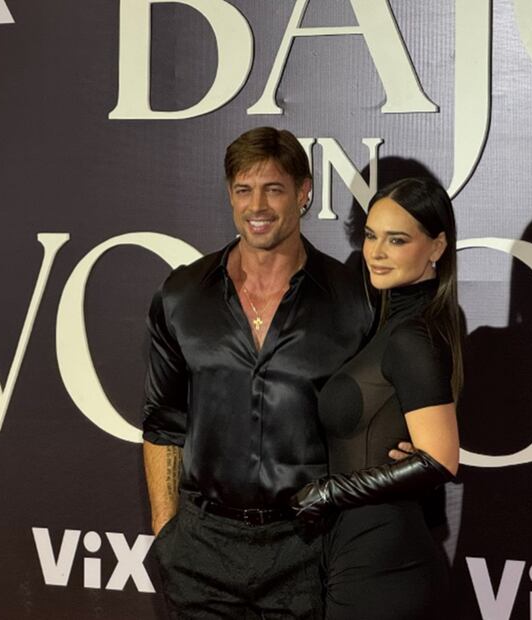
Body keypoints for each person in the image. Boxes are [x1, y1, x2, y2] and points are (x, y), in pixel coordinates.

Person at [141, 126, 371, 619]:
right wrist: (167, 531)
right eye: (244, 190)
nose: (257, 206)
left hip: (308, 547)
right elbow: (163, 422)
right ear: (230, 195)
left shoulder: (352, 300)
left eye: (274, 188)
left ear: (304, 192)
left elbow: (375, 426)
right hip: (202, 548)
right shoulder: (183, 294)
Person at [291, 177, 462, 619]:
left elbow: (441, 458)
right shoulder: (393, 326)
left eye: (397, 239)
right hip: (360, 552)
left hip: (385, 565)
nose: (375, 252)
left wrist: (330, 492)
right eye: (370, 235)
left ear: (437, 247)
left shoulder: (413, 336)